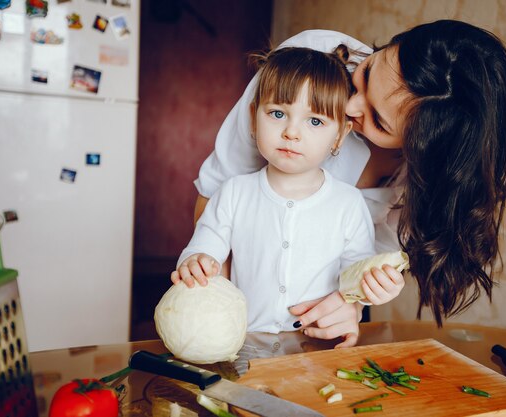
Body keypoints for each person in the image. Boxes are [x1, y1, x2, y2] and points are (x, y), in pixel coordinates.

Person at [192, 20, 506, 348]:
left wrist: (351, 304)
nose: (349, 106)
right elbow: (216, 197)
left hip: (319, 333)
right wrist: (223, 318)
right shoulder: (315, 57)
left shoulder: (420, 191)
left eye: (378, 120)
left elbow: (361, 269)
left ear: (418, 149)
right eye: (367, 73)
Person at [171, 47, 405, 347]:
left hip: (318, 346)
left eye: (315, 121)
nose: (291, 132)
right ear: (254, 119)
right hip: (243, 343)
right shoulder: (233, 193)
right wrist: (196, 260)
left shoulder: (348, 204)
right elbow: (205, 245)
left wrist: (378, 283)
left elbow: (357, 272)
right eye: (278, 114)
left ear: (339, 136)